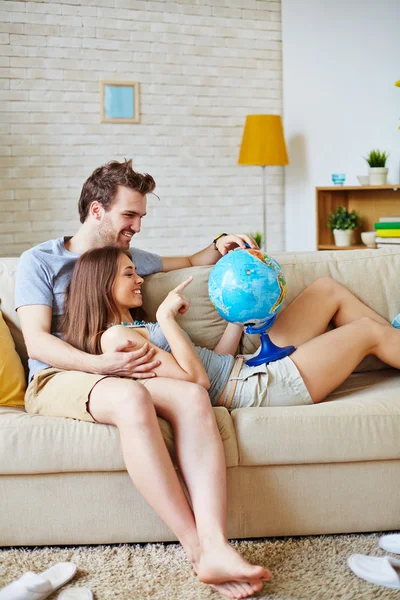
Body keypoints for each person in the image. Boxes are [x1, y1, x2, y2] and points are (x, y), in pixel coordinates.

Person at [15, 159, 267, 600]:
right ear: (97, 211)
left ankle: (217, 546)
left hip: (121, 368)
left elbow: (191, 260)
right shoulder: (41, 260)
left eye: (141, 217)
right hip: (63, 376)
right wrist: (100, 366)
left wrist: (218, 243)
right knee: (131, 400)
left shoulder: (126, 259)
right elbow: (36, 343)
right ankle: (196, 549)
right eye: (129, 216)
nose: (136, 226)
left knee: (192, 396)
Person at [66, 246, 400, 416]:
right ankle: (389, 340)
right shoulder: (115, 338)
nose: (139, 280)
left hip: (246, 365)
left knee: (327, 290)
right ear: (102, 284)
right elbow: (198, 383)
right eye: (129, 275)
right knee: (367, 331)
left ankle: (394, 343)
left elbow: (217, 361)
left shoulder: (132, 327)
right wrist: (166, 319)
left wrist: (235, 318)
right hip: (251, 390)